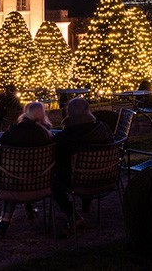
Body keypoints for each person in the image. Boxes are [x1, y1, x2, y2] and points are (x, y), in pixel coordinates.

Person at [0, 101, 54, 235]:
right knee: (20, 173)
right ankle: (29, 210)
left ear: (25, 114)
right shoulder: (47, 136)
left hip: (14, 185)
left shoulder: (12, 133)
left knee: (9, 176)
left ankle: (4, 223)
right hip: (41, 185)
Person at [52, 98, 112, 234]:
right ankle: (86, 204)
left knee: (52, 180)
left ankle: (72, 214)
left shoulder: (64, 137)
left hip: (78, 181)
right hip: (106, 176)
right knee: (88, 168)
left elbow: (57, 161)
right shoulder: (104, 128)